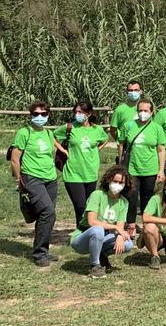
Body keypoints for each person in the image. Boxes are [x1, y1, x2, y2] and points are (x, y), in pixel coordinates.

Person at [11, 102, 64, 267]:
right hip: (32, 177)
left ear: (48, 115)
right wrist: (18, 179)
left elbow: (53, 153)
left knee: (46, 215)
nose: (39, 117)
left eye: (43, 114)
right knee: (48, 212)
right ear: (30, 115)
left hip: (50, 178)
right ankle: (39, 254)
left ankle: (44, 251)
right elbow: (14, 158)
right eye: (36, 114)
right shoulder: (24, 133)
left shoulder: (49, 134)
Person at [69, 165, 132, 278]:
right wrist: (116, 228)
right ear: (108, 180)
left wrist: (119, 236)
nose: (117, 185)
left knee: (127, 243)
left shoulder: (124, 202)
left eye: (121, 183)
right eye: (115, 181)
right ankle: (95, 266)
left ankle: (101, 255)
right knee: (98, 230)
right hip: (83, 237)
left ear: (125, 185)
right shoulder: (97, 195)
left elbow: (120, 226)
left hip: (104, 237)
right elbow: (92, 221)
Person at [56, 101, 109, 230]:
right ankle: (80, 231)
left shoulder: (97, 130)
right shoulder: (69, 127)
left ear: (89, 114)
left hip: (90, 173)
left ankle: (87, 230)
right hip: (73, 173)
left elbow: (105, 138)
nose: (77, 114)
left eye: (81, 112)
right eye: (76, 112)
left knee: (88, 206)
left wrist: (97, 150)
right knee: (79, 205)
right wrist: (63, 150)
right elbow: (53, 137)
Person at [120, 100, 165, 239]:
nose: (142, 113)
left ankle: (147, 225)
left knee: (147, 198)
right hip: (132, 169)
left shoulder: (157, 128)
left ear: (151, 112)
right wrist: (121, 166)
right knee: (131, 198)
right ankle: (131, 225)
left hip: (150, 169)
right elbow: (121, 144)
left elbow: (161, 150)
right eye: (140, 110)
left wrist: (161, 170)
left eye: (146, 111)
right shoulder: (128, 126)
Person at [110, 82, 143, 152]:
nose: (133, 92)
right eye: (130, 90)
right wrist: (121, 141)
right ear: (127, 92)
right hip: (126, 148)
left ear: (141, 91)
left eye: (136, 90)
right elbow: (113, 130)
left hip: (144, 146)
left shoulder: (146, 109)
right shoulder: (119, 110)